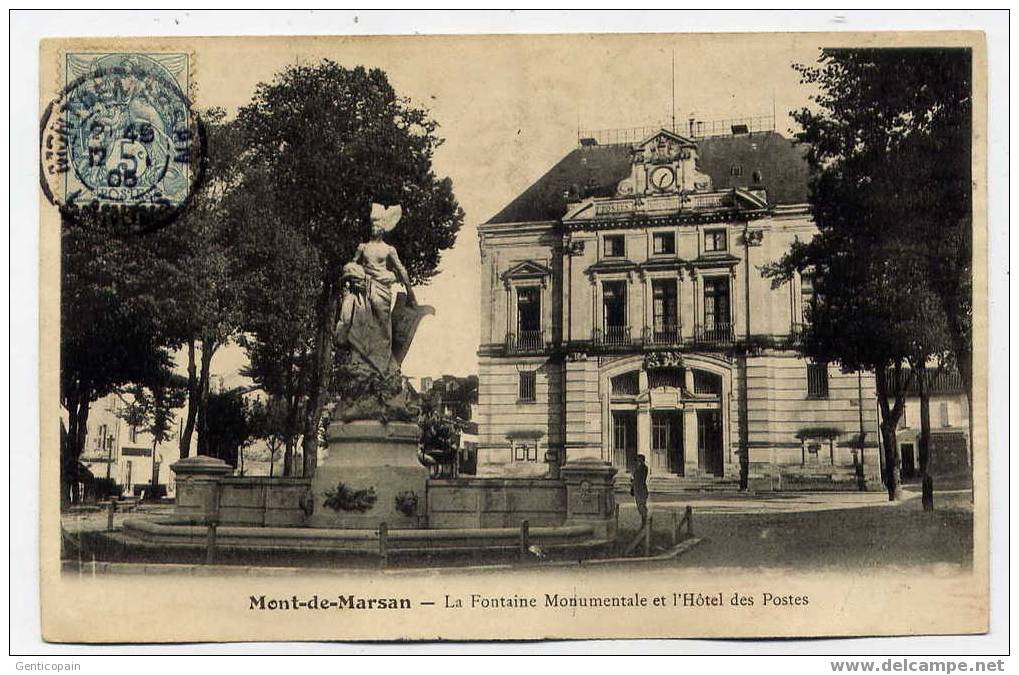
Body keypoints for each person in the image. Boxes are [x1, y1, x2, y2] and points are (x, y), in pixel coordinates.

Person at [631, 453, 649, 529]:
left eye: (638, 460)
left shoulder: (643, 468)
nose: (637, 462)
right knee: (640, 507)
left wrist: (633, 480)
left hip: (640, 490)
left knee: (642, 507)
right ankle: (644, 523)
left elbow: (638, 479)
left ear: (642, 461)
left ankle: (645, 524)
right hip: (638, 490)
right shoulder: (639, 468)